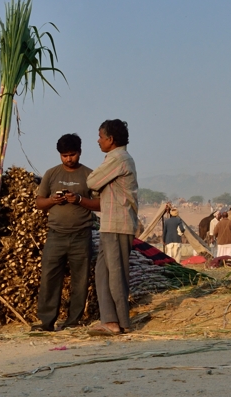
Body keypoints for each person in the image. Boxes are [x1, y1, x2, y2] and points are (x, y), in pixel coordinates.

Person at [34, 134, 98, 332]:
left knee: (80, 280)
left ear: (80, 152)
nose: (69, 159)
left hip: (81, 235)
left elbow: (100, 204)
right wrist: (53, 200)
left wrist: (79, 199)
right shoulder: (51, 174)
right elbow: (39, 202)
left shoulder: (90, 175)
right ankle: (46, 322)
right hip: (56, 235)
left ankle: (73, 322)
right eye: (65, 156)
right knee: (49, 279)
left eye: (72, 154)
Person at [86, 119, 139, 336]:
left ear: (111, 139)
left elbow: (92, 182)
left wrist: (96, 184)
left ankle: (121, 321)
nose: (98, 141)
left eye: (100, 136)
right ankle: (110, 320)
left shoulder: (118, 159)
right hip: (110, 222)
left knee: (115, 274)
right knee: (102, 273)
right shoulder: (116, 159)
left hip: (118, 222)